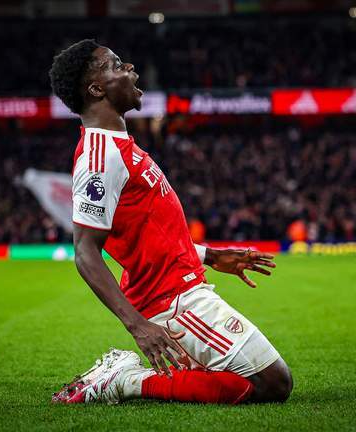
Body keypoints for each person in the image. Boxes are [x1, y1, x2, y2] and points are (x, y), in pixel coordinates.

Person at [48, 39, 292, 405]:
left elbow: (150, 234)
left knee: (244, 380)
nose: (129, 68)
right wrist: (137, 326)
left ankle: (135, 377)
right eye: (116, 65)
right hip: (171, 299)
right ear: (96, 89)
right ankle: (127, 380)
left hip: (179, 287)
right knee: (273, 383)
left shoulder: (121, 146)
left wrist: (210, 256)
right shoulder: (101, 157)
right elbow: (85, 251)